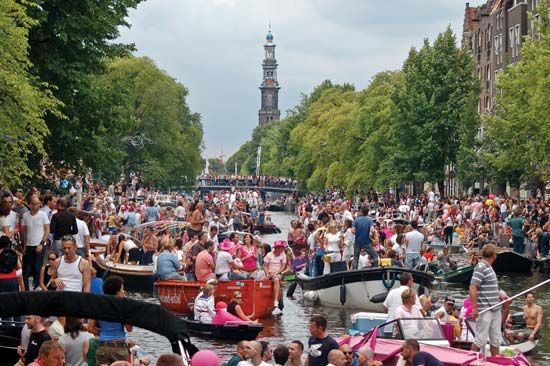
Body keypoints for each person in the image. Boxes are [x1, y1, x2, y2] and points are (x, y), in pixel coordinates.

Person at [88, 276, 133, 366]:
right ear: (117, 291)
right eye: (122, 289)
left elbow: (90, 328)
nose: (123, 291)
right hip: (119, 348)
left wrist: (104, 332)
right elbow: (129, 328)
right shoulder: (123, 307)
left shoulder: (99, 306)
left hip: (103, 347)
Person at [469, 243, 501, 356]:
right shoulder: (481, 267)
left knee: (496, 339)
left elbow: (493, 286)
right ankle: (469, 361)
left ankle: (495, 362)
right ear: (493, 255)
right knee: (480, 339)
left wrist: (501, 294)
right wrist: (475, 308)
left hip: (495, 308)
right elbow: (473, 286)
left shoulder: (489, 267)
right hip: (485, 309)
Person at [21, 195, 50, 290]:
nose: (38, 205)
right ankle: (26, 289)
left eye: (38, 203)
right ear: (29, 205)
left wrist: (41, 244)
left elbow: (47, 230)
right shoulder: (25, 215)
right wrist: (24, 246)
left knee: (37, 268)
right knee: (26, 270)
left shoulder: (43, 215)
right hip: (29, 245)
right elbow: (25, 232)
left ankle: (37, 287)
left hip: (40, 245)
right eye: (35, 204)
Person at [263, 240, 290, 309]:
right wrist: (267, 274)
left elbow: (283, 267)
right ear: (276, 248)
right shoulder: (269, 254)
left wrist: (277, 273)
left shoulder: (283, 255)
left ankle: (275, 300)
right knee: (262, 280)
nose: (281, 249)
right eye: (280, 247)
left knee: (276, 279)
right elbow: (265, 266)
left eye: (282, 247)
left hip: (277, 273)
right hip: (269, 272)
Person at [352, 205, 377, 269]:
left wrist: (358, 233)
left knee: (356, 258)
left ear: (361, 211)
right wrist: (373, 235)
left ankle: (354, 272)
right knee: (374, 256)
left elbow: (353, 231)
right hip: (366, 241)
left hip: (357, 241)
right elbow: (372, 230)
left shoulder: (356, 220)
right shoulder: (369, 220)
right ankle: (375, 269)